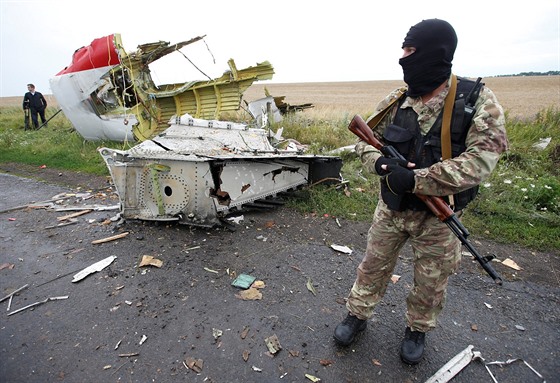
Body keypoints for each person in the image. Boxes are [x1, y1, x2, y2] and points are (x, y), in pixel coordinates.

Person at [333, 19, 508, 365]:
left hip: (439, 216)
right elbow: (364, 141)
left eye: (411, 51)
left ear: (436, 53)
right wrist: (380, 165)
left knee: (431, 280)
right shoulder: (398, 99)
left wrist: (417, 180)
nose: (403, 58)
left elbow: (482, 161)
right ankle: (357, 314)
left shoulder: (476, 100)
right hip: (392, 208)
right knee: (372, 267)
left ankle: (418, 329)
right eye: (403, 50)